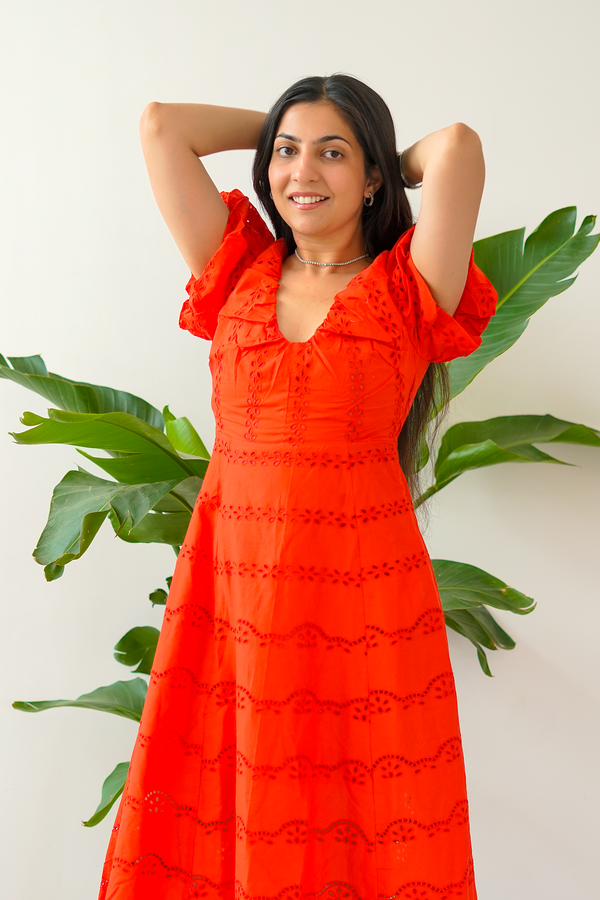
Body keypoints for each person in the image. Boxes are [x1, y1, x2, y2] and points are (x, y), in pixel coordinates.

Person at [98, 74, 497, 900]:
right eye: (286, 153)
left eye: (333, 155)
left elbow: (456, 147)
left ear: (375, 176)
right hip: (232, 594)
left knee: (365, 807)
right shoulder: (236, 265)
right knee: (225, 796)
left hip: (363, 600)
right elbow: (162, 126)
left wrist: (374, 148)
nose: (301, 172)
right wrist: (293, 132)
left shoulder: (409, 286)